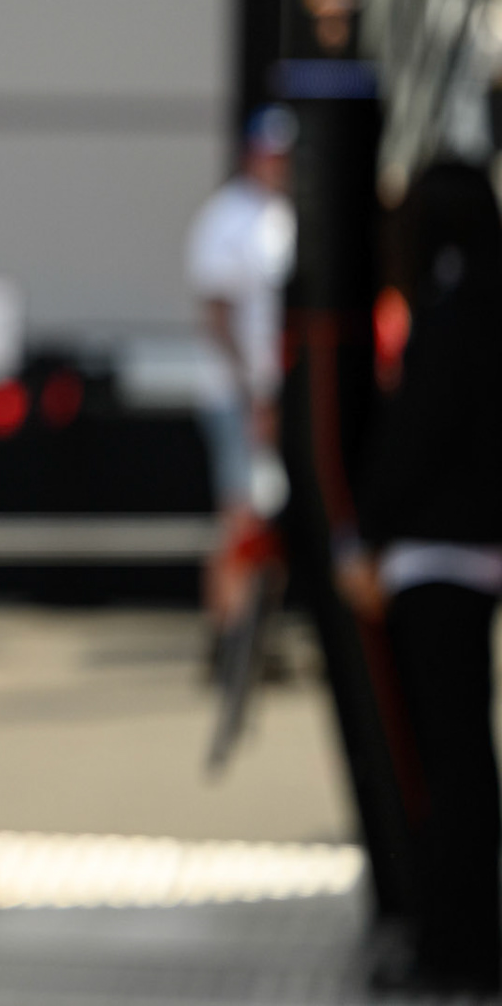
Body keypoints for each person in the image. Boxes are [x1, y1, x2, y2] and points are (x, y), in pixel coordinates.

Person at [338, 159, 502, 996]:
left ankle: (455, 944)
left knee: (449, 759)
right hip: (477, 555)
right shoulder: (489, 307)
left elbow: (415, 443)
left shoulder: (447, 318)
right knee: (466, 749)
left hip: (434, 560)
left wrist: (362, 532)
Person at [185, 106, 297, 632]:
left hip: (279, 393)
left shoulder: (291, 215)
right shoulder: (227, 216)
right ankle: (226, 629)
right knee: (239, 512)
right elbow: (216, 314)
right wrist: (252, 389)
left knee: (271, 511)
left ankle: (256, 632)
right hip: (238, 393)